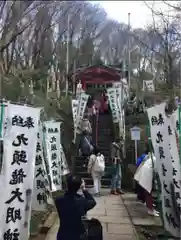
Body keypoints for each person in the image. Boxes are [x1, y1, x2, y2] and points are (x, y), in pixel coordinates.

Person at [55, 175, 96, 240]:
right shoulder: (83, 201)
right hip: (79, 235)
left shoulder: (58, 200)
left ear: (67, 184)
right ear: (80, 186)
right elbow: (93, 202)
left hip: (63, 235)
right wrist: (84, 189)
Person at [134, 150, 159, 217]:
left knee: (148, 192)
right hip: (147, 174)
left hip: (145, 173)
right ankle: (150, 210)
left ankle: (151, 209)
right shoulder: (156, 158)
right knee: (148, 192)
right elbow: (157, 170)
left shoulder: (152, 156)